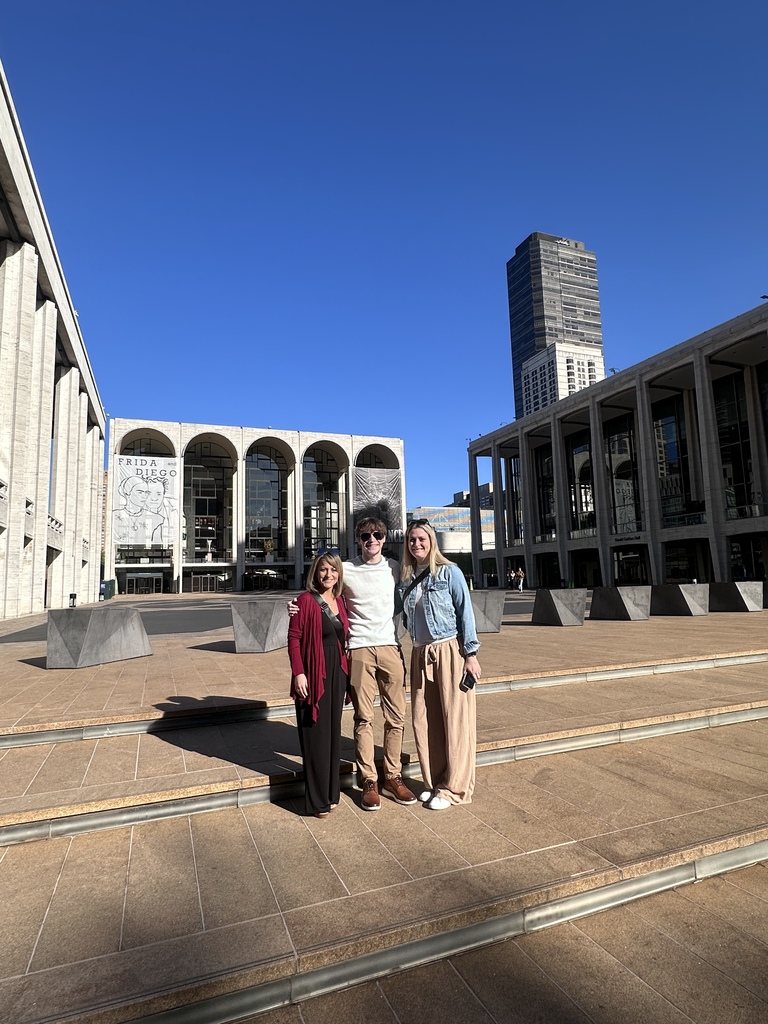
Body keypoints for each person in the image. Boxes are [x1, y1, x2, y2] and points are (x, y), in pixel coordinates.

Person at [289, 517, 417, 812]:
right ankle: (369, 780)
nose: (372, 539)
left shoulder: (394, 568)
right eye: (366, 535)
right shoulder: (347, 571)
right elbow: (322, 594)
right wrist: (293, 605)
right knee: (363, 717)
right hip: (358, 649)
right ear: (358, 539)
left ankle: (393, 776)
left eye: (377, 535)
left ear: (385, 539)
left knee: (396, 716)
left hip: (389, 646)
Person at [399, 518, 481, 810]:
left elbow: (465, 614)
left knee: (455, 721)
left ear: (432, 541)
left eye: (422, 539)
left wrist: (470, 655)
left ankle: (454, 789)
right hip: (420, 653)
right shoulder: (406, 579)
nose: (417, 544)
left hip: (448, 651)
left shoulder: (450, 572)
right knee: (425, 720)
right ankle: (435, 782)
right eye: (412, 540)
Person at [287, 552, 350, 818]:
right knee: (315, 737)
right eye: (323, 570)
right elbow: (293, 639)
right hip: (314, 673)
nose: (328, 575)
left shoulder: (341, 601)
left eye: (333, 570)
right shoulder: (303, 600)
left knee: (333, 735)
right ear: (315, 572)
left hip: (338, 671)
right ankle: (316, 801)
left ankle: (331, 793)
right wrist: (299, 673)